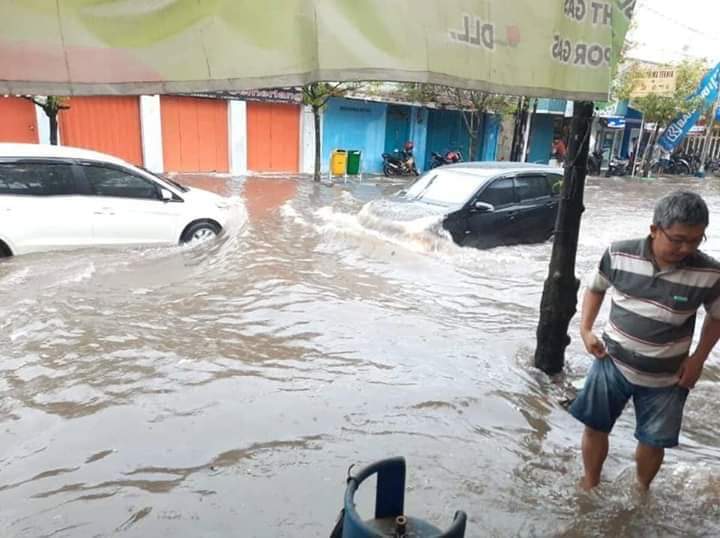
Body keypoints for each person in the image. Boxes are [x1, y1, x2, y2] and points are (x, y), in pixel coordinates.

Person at [570, 190, 720, 491]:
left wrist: (698, 360)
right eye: (677, 239)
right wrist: (586, 330)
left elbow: (716, 316)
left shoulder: (709, 272)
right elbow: (596, 287)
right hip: (611, 363)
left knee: (653, 441)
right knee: (595, 426)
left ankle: (641, 490)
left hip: (668, 377)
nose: (686, 248)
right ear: (654, 230)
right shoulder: (619, 254)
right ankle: (591, 482)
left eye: (695, 240)